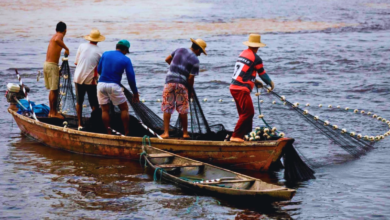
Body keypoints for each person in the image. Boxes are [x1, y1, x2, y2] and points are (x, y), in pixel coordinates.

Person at [230, 34, 275, 142]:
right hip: (242, 89)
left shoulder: (243, 54)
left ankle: (246, 134)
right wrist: (270, 83)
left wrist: (254, 82)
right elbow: (262, 73)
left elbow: (245, 71)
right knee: (248, 113)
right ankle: (235, 136)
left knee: (244, 113)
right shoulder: (256, 58)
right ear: (258, 47)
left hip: (234, 87)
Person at [160, 38, 207, 139]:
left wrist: (175, 68)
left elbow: (167, 59)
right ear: (198, 50)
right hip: (182, 84)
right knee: (183, 109)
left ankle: (166, 133)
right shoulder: (195, 60)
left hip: (169, 82)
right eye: (201, 52)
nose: (200, 54)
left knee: (167, 107)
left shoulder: (179, 49)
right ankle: (185, 133)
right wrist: (190, 91)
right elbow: (190, 79)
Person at [97, 40, 139, 135]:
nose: (125, 53)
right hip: (114, 85)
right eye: (126, 51)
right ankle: (127, 132)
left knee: (104, 110)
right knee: (124, 109)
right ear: (125, 49)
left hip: (101, 84)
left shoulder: (105, 54)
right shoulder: (126, 59)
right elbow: (131, 78)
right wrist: (135, 93)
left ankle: (109, 133)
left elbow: (99, 70)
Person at [74, 29, 105, 130]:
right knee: (94, 104)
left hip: (78, 77)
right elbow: (100, 69)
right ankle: (94, 124)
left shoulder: (82, 46)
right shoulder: (100, 51)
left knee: (79, 101)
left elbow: (76, 63)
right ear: (98, 40)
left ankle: (79, 124)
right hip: (90, 80)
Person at [44, 21, 69, 119]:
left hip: (47, 64)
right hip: (51, 66)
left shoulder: (54, 36)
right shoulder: (59, 36)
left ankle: (51, 112)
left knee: (52, 90)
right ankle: (53, 113)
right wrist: (66, 48)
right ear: (65, 30)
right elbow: (58, 40)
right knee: (54, 90)